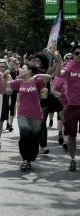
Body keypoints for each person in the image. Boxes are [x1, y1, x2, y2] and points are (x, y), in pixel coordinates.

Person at [6, 63, 51, 171]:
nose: (20, 69)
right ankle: (25, 160)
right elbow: (6, 86)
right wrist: (4, 76)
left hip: (36, 115)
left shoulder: (37, 81)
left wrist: (37, 76)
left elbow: (49, 77)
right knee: (24, 136)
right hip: (22, 114)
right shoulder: (19, 82)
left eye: (23, 68)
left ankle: (30, 159)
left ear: (30, 71)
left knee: (34, 138)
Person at [56, 41, 80, 171]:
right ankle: (72, 159)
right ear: (73, 54)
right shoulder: (70, 66)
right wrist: (59, 61)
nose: (79, 55)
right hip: (72, 106)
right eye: (77, 53)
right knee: (71, 135)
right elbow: (59, 74)